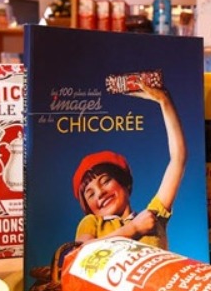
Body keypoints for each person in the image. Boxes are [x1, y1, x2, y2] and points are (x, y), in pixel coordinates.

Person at [72, 78, 187, 250]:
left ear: (125, 183)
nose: (100, 193)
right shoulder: (91, 222)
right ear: (88, 206)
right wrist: (134, 229)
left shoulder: (152, 217)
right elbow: (81, 251)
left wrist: (164, 100)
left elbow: (179, 158)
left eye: (105, 181)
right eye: (90, 194)